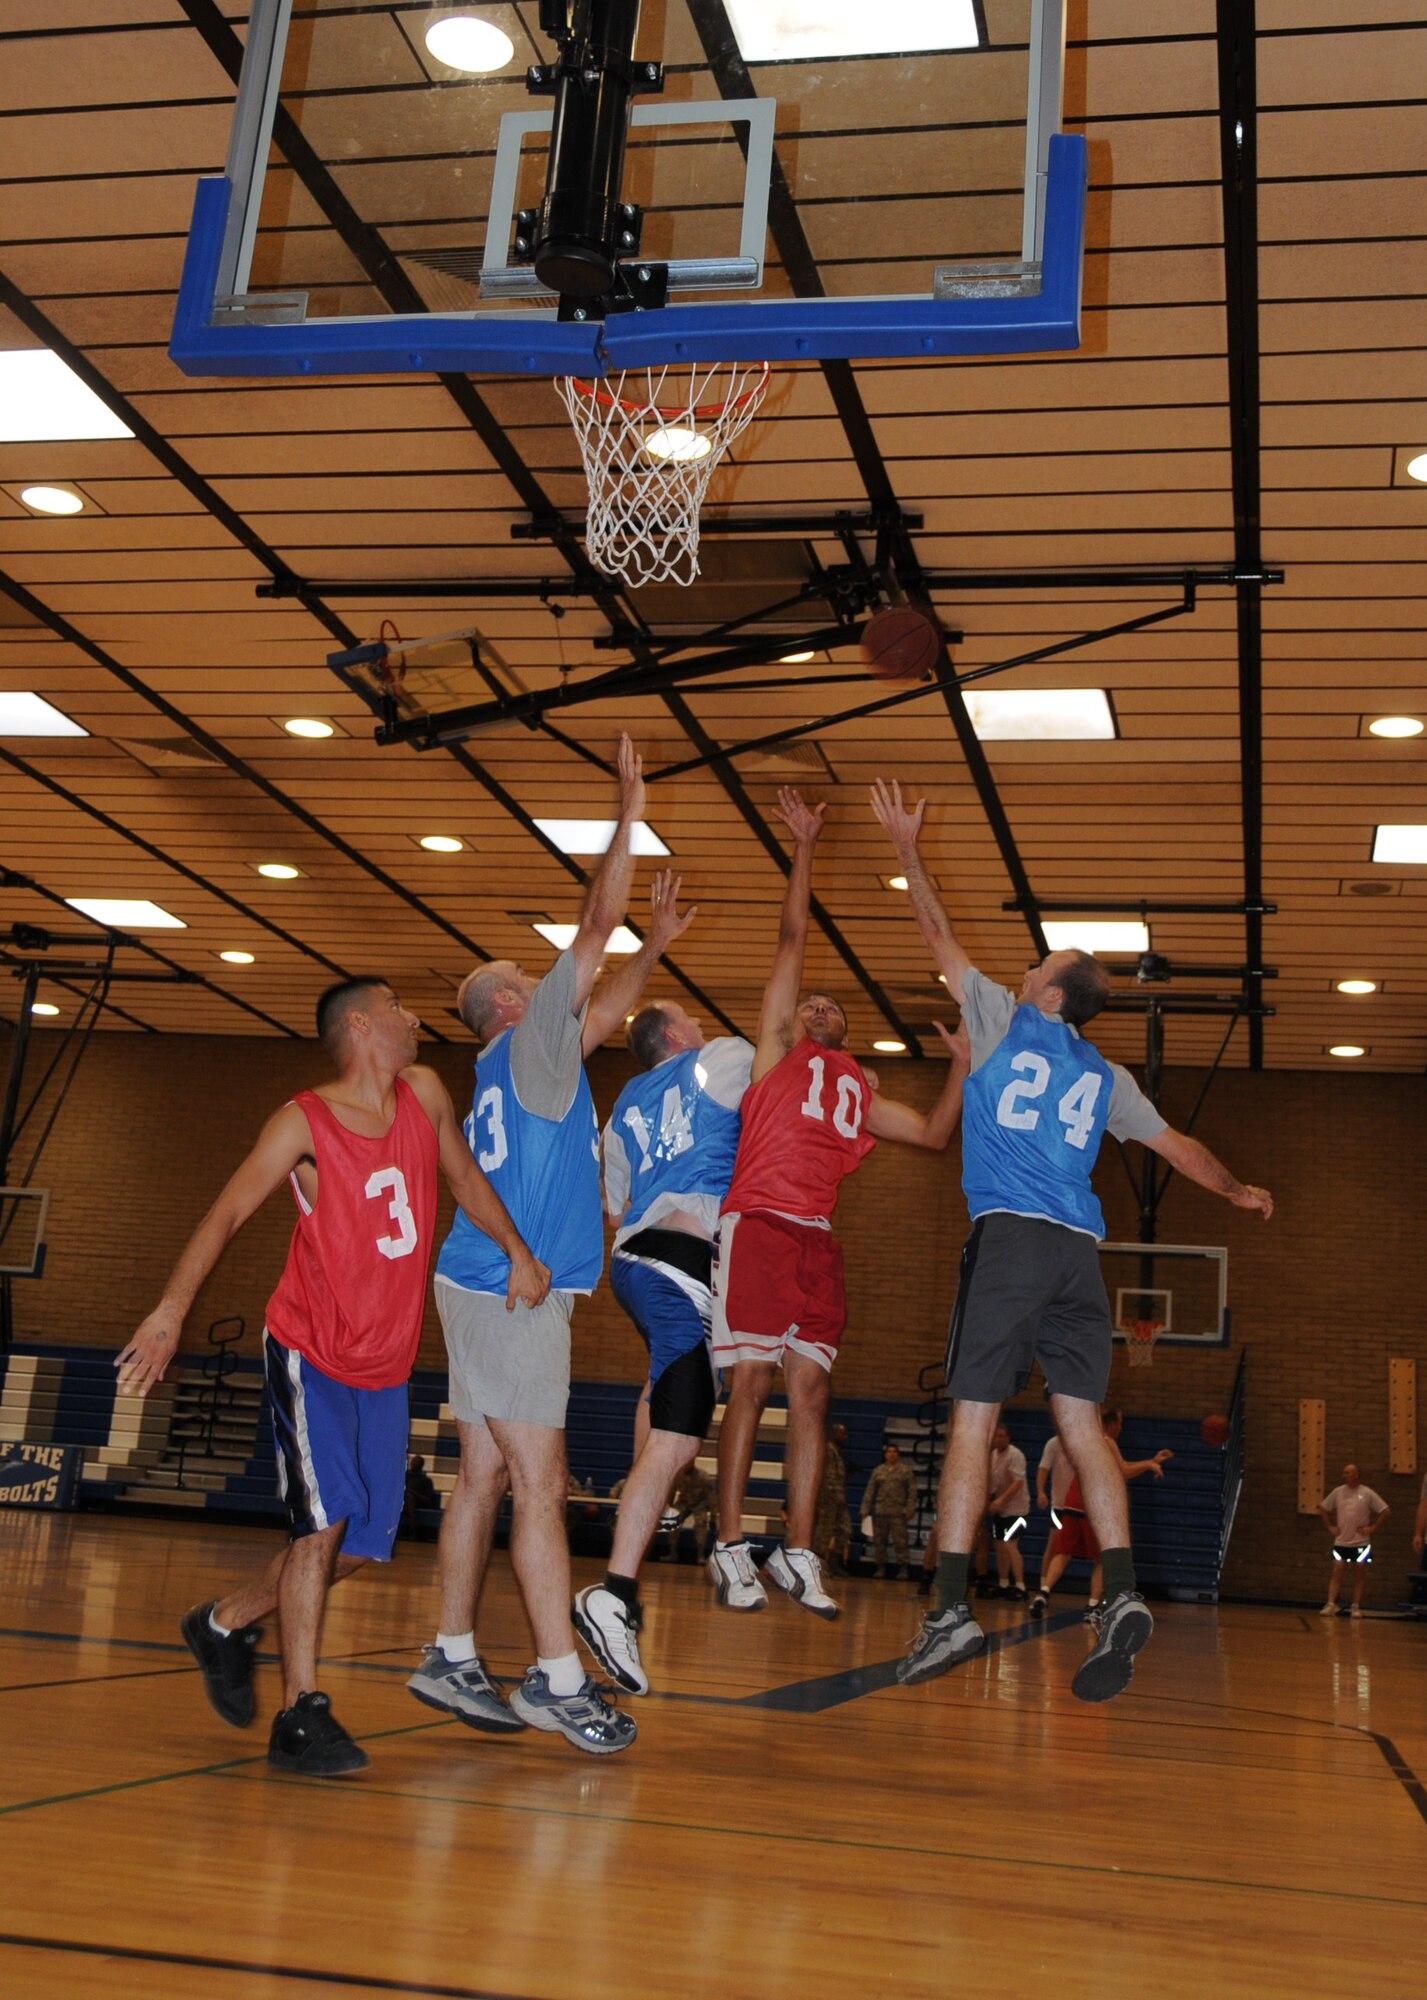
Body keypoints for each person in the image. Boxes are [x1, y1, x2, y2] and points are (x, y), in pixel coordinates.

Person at [872, 776, 1273, 1702]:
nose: (1021, 971)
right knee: (1080, 1424)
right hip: (1077, 1261)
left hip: (1010, 1242)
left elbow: (935, 936)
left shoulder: (1000, 1019)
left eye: (1035, 965)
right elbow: (1181, 1151)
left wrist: (905, 849)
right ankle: (1120, 1593)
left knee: (972, 1418)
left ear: (1049, 995)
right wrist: (1240, 1189)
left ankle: (946, 1610)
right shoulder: (1108, 1076)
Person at [117, 976, 550, 1777]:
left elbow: (464, 1181)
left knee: (361, 1544)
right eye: (397, 1006)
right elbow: (224, 1216)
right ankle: (301, 1714)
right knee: (319, 1528)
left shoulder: (422, 1094)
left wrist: (519, 1252)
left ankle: (223, 1621)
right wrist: (171, 1313)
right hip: (310, 1350)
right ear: (360, 1025)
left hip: (384, 1364)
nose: (413, 1016)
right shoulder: (302, 1124)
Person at [409, 735, 687, 1757]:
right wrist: (626, 805)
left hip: (481, 1283)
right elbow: (595, 923)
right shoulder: (525, 1040)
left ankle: (448, 1649)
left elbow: (607, 999)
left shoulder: (523, 1061)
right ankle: (557, 1678)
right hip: (510, 1289)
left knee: (483, 1476)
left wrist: (652, 949)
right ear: (514, 1004)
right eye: (537, 980)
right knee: (541, 1477)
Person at [709, 787, 971, 1619]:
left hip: (815, 1241)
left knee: (813, 1395)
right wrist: (803, 846)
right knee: (749, 1384)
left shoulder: (857, 1086)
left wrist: (962, 1062)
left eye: (831, 1005)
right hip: (756, 1222)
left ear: (846, 1031)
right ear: (790, 1025)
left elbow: (932, 1136)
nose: (816, 1004)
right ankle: (726, 1546)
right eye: (808, 1003)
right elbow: (791, 937)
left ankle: (797, 1550)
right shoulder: (772, 1059)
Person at [573, 996, 751, 1693]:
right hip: (681, 1268)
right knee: (679, 1441)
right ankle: (613, 1590)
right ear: (676, 1035)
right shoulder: (718, 1061)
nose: (704, 1026)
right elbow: (784, 1074)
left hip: (631, 1264)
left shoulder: (622, 1110)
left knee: (664, 1396)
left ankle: (647, 1503)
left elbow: (612, 1206)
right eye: (693, 1021)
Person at [1029, 1410, 1172, 1618]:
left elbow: (1119, 1466)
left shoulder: (1084, 1441)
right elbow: (1121, 1471)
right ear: (1111, 1423)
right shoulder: (1107, 1442)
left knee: (1063, 1553)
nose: (1121, 1428)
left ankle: (1043, 1592)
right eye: (1120, 1423)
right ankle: (1093, 1606)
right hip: (1093, 1505)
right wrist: (1149, 1464)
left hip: (1072, 1502)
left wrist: (1150, 1461)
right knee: (1100, 1559)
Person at [1318, 1463, 1389, 1617]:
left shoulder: (1367, 1493)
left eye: (1348, 1472)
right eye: (1344, 1472)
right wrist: (1330, 1526)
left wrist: (1373, 1527)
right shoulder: (1338, 1492)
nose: (1345, 1475)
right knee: (1337, 1570)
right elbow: (1323, 1508)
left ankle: (1355, 1606)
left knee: (1359, 1572)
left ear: (1356, 1474)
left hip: (1360, 1542)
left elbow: (1385, 1510)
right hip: (1341, 1541)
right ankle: (1331, 1603)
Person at [861, 1443, 919, 1579]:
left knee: (901, 1542)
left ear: (898, 1454)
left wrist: (909, 1510)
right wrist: (865, 1509)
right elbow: (870, 1491)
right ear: (885, 1454)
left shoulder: (905, 1471)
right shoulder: (878, 1471)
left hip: (898, 1513)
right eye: (889, 1451)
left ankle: (903, 1569)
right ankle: (880, 1568)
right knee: (879, 1542)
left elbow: (912, 1492)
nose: (891, 1454)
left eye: (894, 1452)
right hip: (880, 1511)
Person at [986, 1423, 1029, 1598]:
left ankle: (1020, 1585)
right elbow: (992, 1482)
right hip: (1000, 1509)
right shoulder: (993, 1456)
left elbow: (1017, 1482)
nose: (999, 1439)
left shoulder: (1015, 1455)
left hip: (1017, 1510)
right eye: (996, 1436)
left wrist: (1001, 1500)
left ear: (1008, 1438)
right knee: (999, 1545)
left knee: (1010, 1544)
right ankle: (1003, 1583)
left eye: (1002, 1436)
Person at [814, 1421, 852, 1574]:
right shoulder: (829, 1450)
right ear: (835, 1433)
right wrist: (836, 1497)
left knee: (844, 1530)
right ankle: (817, 1564)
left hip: (837, 1499)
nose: (845, 1437)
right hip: (830, 1499)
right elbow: (829, 1477)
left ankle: (833, 1563)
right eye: (842, 1434)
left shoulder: (836, 1451)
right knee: (824, 1532)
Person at [403, 1453, 439, 1534]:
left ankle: (413, 1530)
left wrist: (413, 1493)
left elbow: (428, 1499)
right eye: (413, 1461)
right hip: (402, 1501)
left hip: (418, 1502)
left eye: (416, 1462)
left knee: (409, 1497)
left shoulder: (426, 1481)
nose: (413, 1463)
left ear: (421, 1465)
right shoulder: (404, 1476)